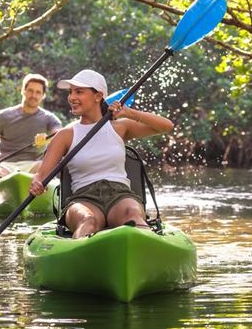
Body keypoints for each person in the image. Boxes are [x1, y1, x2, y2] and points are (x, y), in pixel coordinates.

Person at [29, 69, 173, 238]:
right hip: (83, 198)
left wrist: (129, 113)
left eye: (79, 92)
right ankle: (80, 252)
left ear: (98, 96)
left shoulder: (120, 127)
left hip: (120, 194)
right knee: (89, 220)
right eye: (70, 92)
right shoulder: (65, 135)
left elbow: (166, 126)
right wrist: (37, 182)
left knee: (132, 215)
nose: (72, 97)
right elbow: (41, 174)